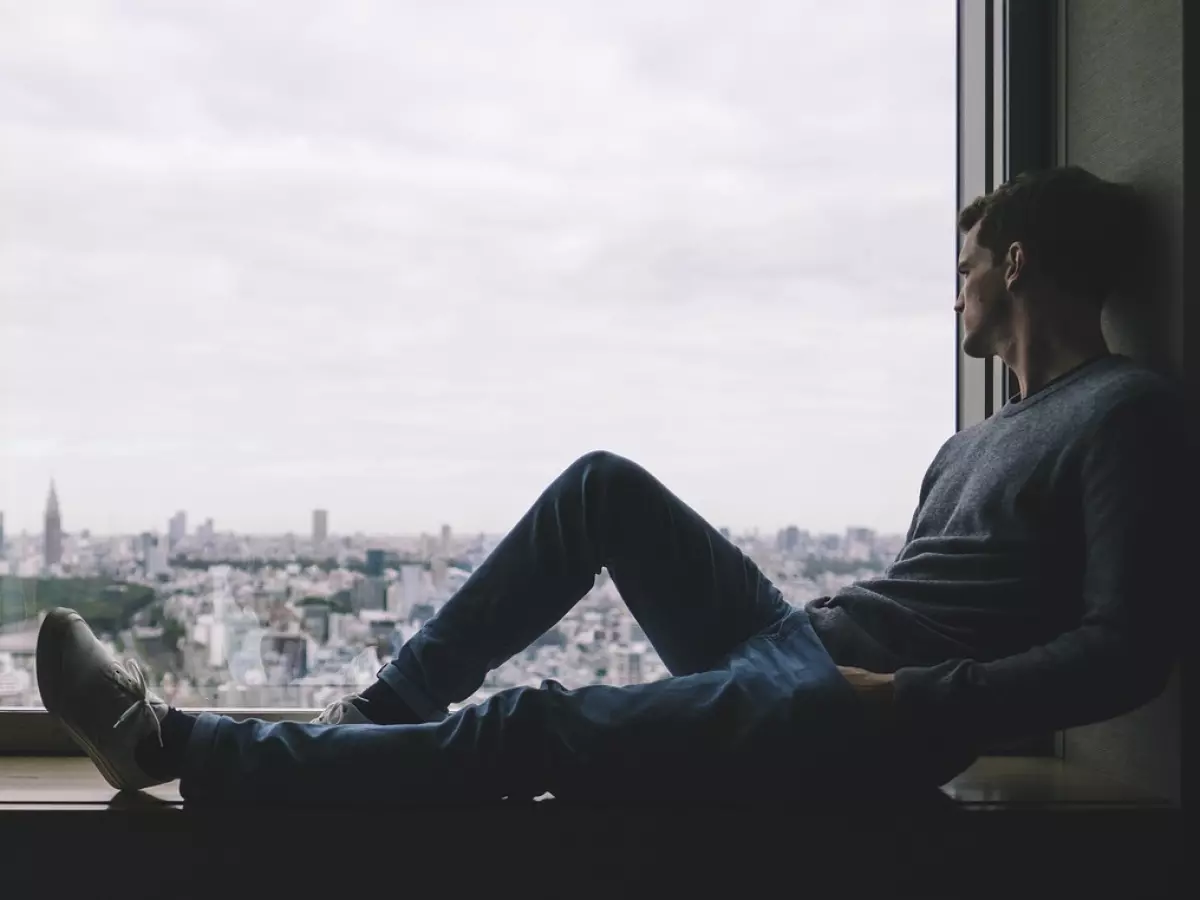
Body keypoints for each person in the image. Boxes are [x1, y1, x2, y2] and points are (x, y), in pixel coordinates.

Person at [37, 165, 1185, 806]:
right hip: (812, 651)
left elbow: (1130, 649)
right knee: (602, 488)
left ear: (1017, 263)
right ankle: (376, 713)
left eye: (967, 267)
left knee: (533, 725)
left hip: (859, 711)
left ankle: (172, 745)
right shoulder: (972, 442)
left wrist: (908, 702)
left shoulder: (1124, 411)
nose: (957, 292)